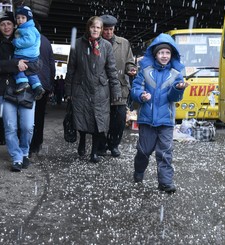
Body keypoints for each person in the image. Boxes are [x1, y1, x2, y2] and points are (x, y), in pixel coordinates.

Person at [130, 33, 189, 193]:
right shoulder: (145, 71)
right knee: (144, 151)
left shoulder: (176, 74)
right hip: (146, 120)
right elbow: (135, 89)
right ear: (155, 54)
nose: (164, 56)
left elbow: (174, 97)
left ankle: (165, 182)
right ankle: (139, 172)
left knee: (165, 153)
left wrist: (178, 89)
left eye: (168, 53)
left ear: (172, 55)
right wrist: (141, 95)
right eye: (161, 52)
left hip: (166, 121)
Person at [64, 16, 121, 163]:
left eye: (98, 27)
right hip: (81, 87)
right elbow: (71, 70)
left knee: (98, 121)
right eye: (93, 27)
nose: (95, 30)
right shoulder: (77, 44)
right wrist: (68, 92)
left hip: (100, 89)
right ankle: (82, 139)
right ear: (88, 28)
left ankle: (94, 152)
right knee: (82, 118)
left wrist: (116, 92)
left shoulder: (106, 47)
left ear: (101, 30)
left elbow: (112, 70)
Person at [0, 11, 36, 172]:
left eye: (8, 23)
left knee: (27, 126)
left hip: (26, 89)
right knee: (10, 127)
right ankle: (16, 157)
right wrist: (16, 64)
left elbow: (37, 63)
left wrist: (24, 65)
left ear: (14, 24)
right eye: (2, 24)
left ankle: (24, 152)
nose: (6, 27)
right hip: (5, 89)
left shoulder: (25, 38)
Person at [98, 14, 137, 157]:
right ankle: (101, 146)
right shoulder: (96, 43)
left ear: (114, 29)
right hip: (101, 87)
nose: (108, 32)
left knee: (119, 119)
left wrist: (131, 69)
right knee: (101, 119)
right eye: (106, 30)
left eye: (111, 29)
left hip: (120, 87)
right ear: (101, 29)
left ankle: (114, 145)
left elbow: (129, 62)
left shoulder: (124, 43)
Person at [29, 26, 56, 156]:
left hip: (29, 81)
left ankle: (28, 144)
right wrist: (50, 84)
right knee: (39, 115)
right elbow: (52, 64)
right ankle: (37, 143)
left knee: (27, 114)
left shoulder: (28, 38)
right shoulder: (46, 41)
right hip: (44, 83)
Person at [12, 6, 45, 100]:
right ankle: (37, 86)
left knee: (17, 66)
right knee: (30, 73)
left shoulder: (28, 28)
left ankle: (22, 83)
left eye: (23, 18)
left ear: (28, 19)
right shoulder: (30, 28)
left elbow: (29, 41)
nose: (20, 20)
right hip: (32, 56)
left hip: (24, 55)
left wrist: (16, 42)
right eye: (18, 18)